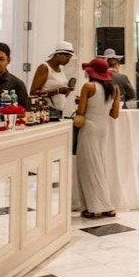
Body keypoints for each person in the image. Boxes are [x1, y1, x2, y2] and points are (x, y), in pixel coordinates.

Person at [75, 57, 120, 219]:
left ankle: (96, 206)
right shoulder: (114, 89)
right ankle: (105, 205)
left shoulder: (88, 87)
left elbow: (81, 112)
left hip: (89, 128)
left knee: (88, 167)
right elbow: (114, 114)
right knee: (99, 165)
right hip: (103, 128)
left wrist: (80, 102)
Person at [30, 41, 74, 111]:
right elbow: (33, 93)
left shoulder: (61, 68)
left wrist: (67, 90)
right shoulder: (44, 67)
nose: (68, 60)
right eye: (67, 57)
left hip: (58, 110)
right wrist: (57, 91)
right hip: (47, 110)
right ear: (57, 55)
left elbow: (61, 94)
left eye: (70, 58)